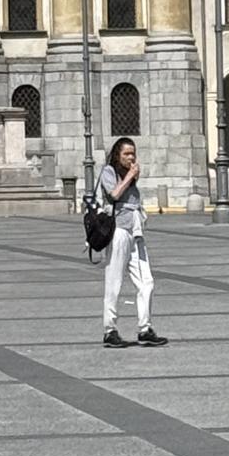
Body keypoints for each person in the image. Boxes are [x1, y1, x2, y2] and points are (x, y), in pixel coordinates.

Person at [98, 136, 167, 349]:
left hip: (135, 232)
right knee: (114, 282)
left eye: (133, 154)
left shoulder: (131, 177)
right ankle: (110, 330)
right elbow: (114, 195)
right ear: (118, 155)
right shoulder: (108, 172)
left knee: (147, 282)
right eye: (126, 154)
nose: (131, 157)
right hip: (118, 230)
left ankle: (144, 328)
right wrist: (129, 176)